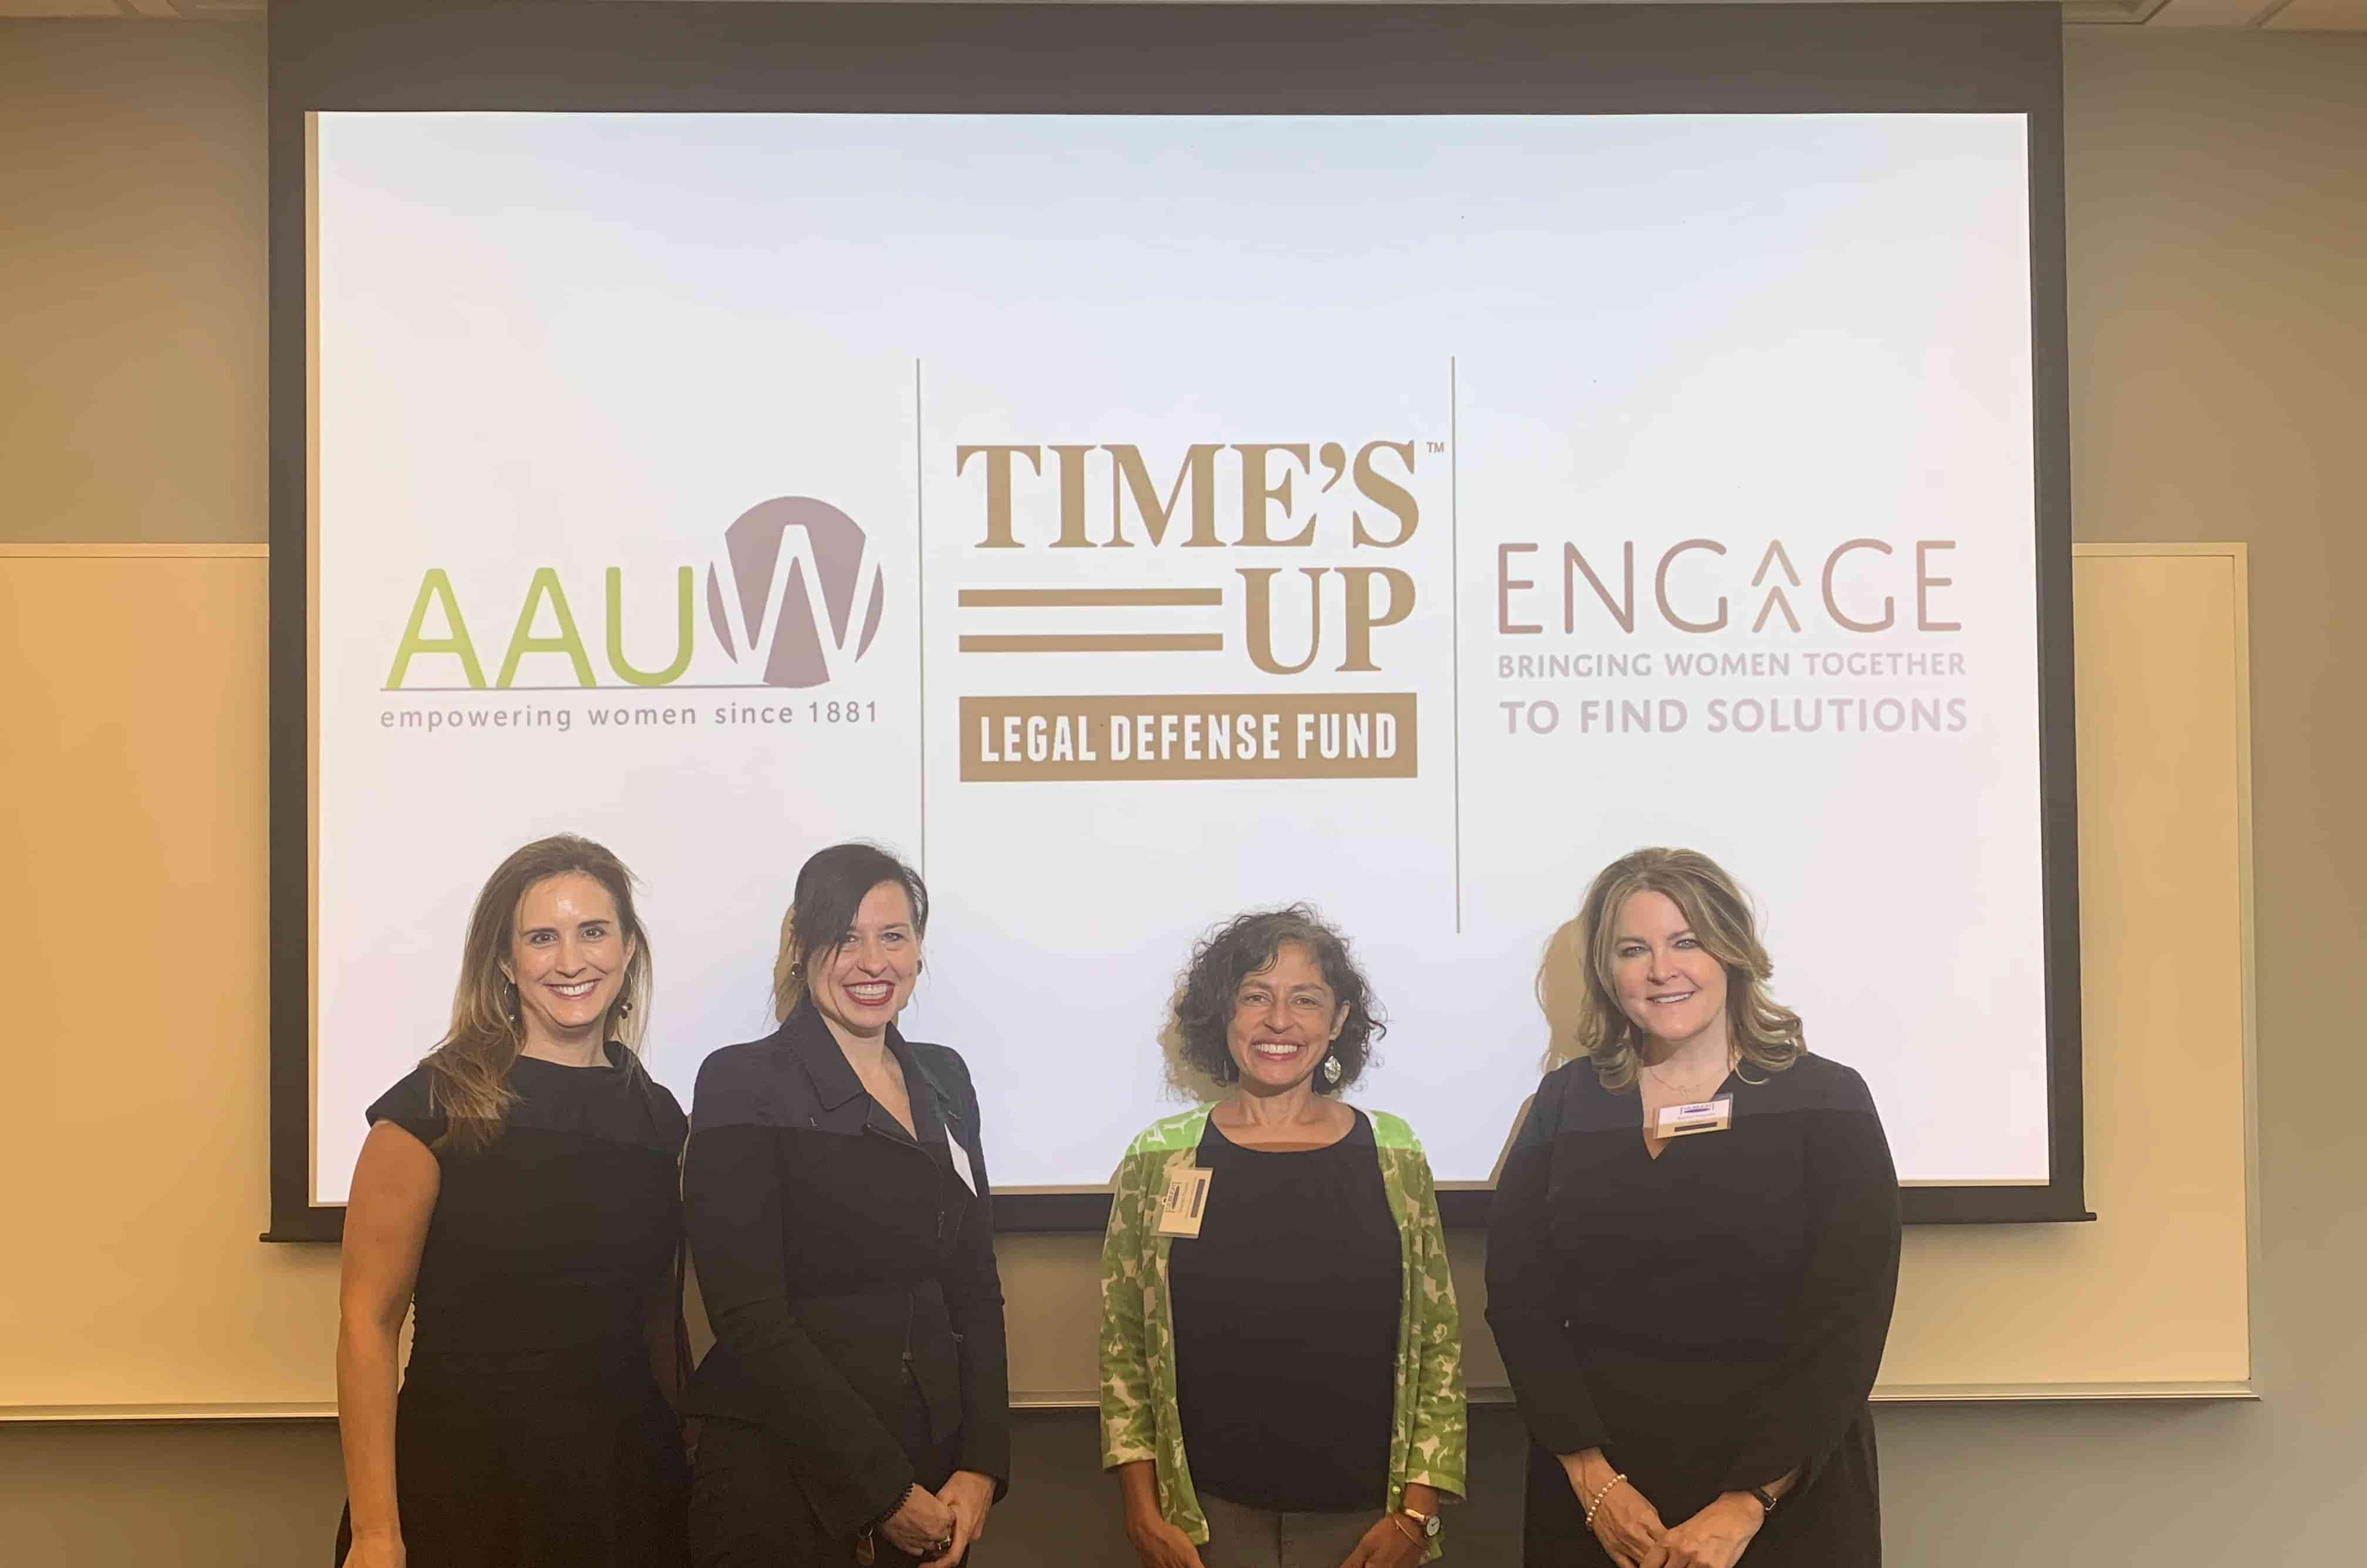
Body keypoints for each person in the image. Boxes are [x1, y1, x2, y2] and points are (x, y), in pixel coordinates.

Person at [1486, 848, 1901, 1568]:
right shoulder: (1565, 1103)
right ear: (1606, 972)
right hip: (1598, 1506)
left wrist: (1748, 1502)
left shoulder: (1825, 1100)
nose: (1661, 970)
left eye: (1687, 941)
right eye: (1633, 949)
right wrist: (1593, 1481)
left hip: (1781, 1502)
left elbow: (1850, 1320)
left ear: (1733, 952)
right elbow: (1519, 1299)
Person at [335, 834, 690, 1568]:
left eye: (593, 931)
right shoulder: (430, 1112)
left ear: (628, 950)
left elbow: (660, 1324)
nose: (571, 960)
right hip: (460, 1492)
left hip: (626, 1493)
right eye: (542, 938)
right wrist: (376, 1536)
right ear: (505, 961)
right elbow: (366, 1324)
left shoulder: (661, 1121)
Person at [1101, 905, 1467, 1568]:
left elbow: (1439, 1339)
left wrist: (1418, 1512)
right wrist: (1142, 1510)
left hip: (1369, 1519)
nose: (1279, 1021)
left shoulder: (1395, 1153)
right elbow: (1125, 1344)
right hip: (1206, 1518)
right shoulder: (1161, 1157)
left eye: (1306, 999)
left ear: (1339, 1020)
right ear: (1224, 1012)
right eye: (1255, 997)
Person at [682, 842, 1008, 1567]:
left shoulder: (945, 1079)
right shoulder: (742, 1080)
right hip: (781, 1475)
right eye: (844, 937)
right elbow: (747, 1314)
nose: (872, 962)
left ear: (918, 951)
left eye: (893, 936)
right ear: (800, 948)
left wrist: (981, 1465)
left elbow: (976, 1287)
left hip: (935, 1471)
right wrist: (885, 1494)